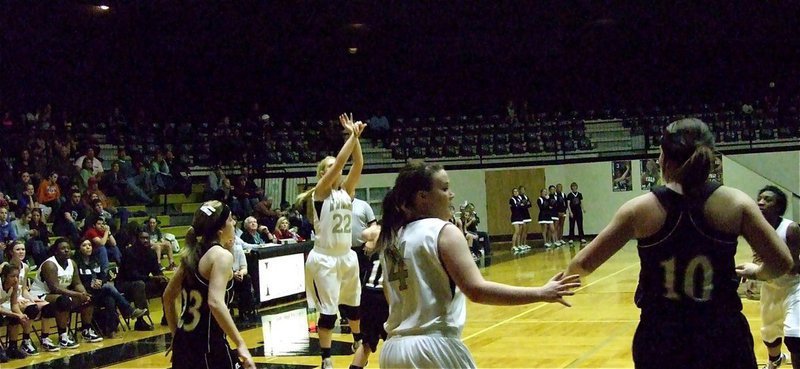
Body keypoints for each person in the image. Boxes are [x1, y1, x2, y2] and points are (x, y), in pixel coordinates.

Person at [565, 118, 794, 369]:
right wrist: (758, 272)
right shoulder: (736, 203)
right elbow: (781, 262)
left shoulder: (639, 209)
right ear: (709, 157)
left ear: (663, 158)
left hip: (662, 339)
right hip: (722, 335)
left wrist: (552, 286)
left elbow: (583, 263)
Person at [377, 160, 580, 369]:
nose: (451, 195)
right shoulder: (441, 231)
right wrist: (541, 293)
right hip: (432, 349)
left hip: (393, 351)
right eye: (445, 188)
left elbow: (388, 294)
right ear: (422, 197)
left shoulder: (391, 238)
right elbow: (476, 290)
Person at [296, 113, 366, 369]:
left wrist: (355, 137)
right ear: (322, 174)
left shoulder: (346, 192)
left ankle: (357, 342)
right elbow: (340, 163)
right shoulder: (321, 193)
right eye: (327, 168)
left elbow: (357, 164)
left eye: (332, 167)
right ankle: (326, 357)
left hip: (347, 256)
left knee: (354, 307)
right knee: (328, 312)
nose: (333, 169)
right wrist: (351, 136)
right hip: (324, 258)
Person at [163, 200, 255, 369]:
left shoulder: (192, 253)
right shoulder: (221, 256)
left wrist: (177, 337)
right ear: (220, 230)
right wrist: (240, 343)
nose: (234, 223)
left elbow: (167, 297)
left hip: (184, 345)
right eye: (230, 220)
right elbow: (215, 302)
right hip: (208, 347)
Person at [740, 186, 799, 369]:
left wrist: (757, 271)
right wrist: (751, 273)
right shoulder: (755, 229)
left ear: (778, 207)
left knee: (795, 336)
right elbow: (760, 257)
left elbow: (794, 267)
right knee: (769, 334)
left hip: (794, 287)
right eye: (759, 198)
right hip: (770, 287)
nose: (760, 202)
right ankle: (775, 360)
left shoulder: (790, 229)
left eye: (767, 199)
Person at [30, 238, 104, 350]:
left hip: (61, 293)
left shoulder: (72, 263)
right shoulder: (50, 264)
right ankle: (63, 336)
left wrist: (83, 293)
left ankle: (86, 330)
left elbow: (77, 282)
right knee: (63, 301)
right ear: (56, 251)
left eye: (68, 248)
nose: (66, 250)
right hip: (41, 294)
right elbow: (55, 288)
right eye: (63, 248)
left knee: (89, 298)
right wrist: (76, 295)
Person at [74, 239, 146, 337]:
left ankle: (110, 330)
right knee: (109, 288)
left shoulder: (95, 260)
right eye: (84, 245)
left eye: (89, 245)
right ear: (79, 248)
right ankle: (129, 310)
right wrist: (90, 284)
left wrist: (100, 282)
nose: (88, 247)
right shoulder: (76, 263)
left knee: (110, 298)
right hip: (85, 293)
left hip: (98, 291)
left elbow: (103, 276)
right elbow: (77, 281)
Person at [348, 223, 386, 369]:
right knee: (395, 342)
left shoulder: (381, 234)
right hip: (384, 295)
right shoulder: (404, 235)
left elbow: (365, 234)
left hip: (368, 294)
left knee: (367, 343)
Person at [116, 230, 169, 331]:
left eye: (147, 238)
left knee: (165, 283)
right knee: (139, 285)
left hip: (143, 281)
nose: (145, 240)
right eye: (142, 238)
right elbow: (131, 275)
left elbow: (156, 271)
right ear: (137, 239)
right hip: (124, 284)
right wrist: (151, 278)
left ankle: (167, 315)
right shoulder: (129, 252)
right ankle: (140, 321)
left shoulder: (152, 253)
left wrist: (162, 277)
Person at [1, 241, 47, 356]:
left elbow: (24, 289)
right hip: (4, 300)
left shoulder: (24, 268)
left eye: (23, 249)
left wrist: (31, 300)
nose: (21, 252)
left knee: (35, 307)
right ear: (11, 252)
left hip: (15, 298)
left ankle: (18, 344)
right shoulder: (4, 267)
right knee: (17, 313)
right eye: (18, 249)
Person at [0, 263, 40, 359]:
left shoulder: (15, 285)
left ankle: (12, 347)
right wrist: (16, 315)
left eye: (17, 276)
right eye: (12, 276)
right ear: (4, 277)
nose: (16, 279)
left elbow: (14, 304)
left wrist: (21, 315)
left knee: (15, 317)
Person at [509, 188, 525, 253]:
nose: (516, 192)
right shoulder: (512, 199)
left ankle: (518, 245)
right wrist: (519, 205)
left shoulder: (519, 198)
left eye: (517, 191)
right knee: (516, 231)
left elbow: (523, 206)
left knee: (520, 232)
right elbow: (514, 207)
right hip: (515, 217)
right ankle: (513, 246)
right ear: (513, 193)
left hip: (520, 216)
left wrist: (521, 205)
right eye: (514, 191)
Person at [518, 186, 533, 251]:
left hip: (527, 214)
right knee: (522, 230)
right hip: (521, 215)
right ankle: (520, 244)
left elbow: (530, 204)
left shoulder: (526, 197)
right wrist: (525, 204)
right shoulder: (518, 197)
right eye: (521, 190)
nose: (522, 191)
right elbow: (519, 205)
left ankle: (524, 243)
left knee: (526, 230)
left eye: (523, 190)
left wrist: (524, 204)